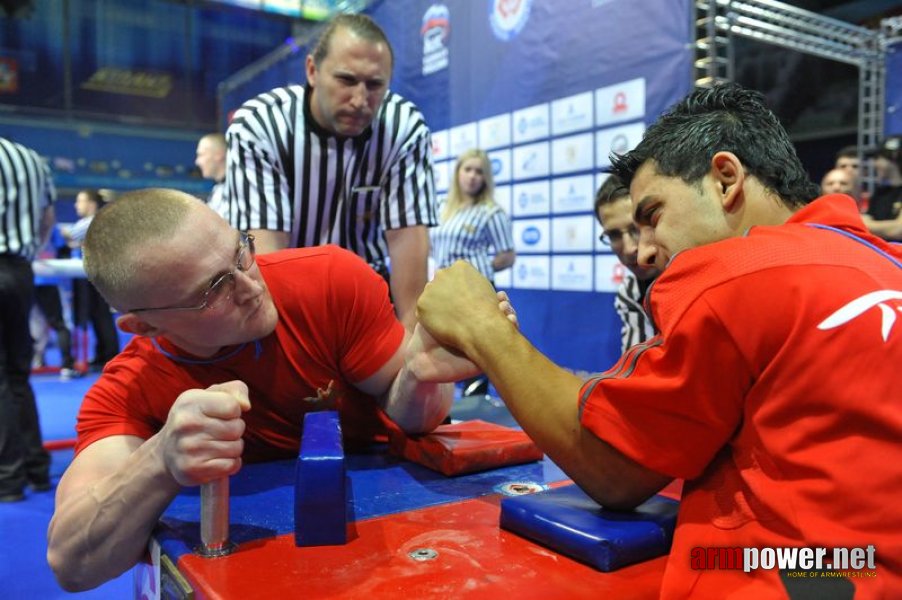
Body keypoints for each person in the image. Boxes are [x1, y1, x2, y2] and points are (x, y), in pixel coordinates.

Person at [416, 84, 902, 598]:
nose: (644, 252)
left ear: (725, 179)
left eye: (651, 216)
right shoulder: (887, 260)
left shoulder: (736, 274)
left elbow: (615, 469)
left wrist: (481, 327)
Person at [45, 188, 487, 591]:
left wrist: (421, 376)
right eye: (211, 291)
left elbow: (414, 415)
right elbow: (73, 565)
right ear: (144, 325)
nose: (250, 286)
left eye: (240, 252)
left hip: (401, 535)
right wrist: (159, 461)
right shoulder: (128, 389)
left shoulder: (328, 279)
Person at [226, 13, 437, 331]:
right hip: (288, 291)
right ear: (312, 71)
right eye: (347, 80)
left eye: (375, 85)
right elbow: (268, 252)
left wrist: (413, 341)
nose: (360, 100)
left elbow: (407, 238)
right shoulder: (261, 125)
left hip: (368, 291)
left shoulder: (404, 127)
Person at [430, 148, 514, 396]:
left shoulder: (491, 212)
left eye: (479, 171)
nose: (473, 176)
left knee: (475, 354)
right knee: (439, 353)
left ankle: (474, 411)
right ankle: (439, 410)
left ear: (486, 177)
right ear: (458, 173)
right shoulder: (442, 207)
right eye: (468, 169)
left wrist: (478, 271)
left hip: (474, 293)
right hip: (442, 290)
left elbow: (507, 255)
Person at [0, 136, 56, 502]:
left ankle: (8, 478)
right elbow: (47, 217)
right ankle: (36, 468)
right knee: (18, 374)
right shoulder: (31, 156)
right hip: (20, 269)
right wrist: (32, 247)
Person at [593, 174, 658, 353]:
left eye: (636, 229)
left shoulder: (706, 285)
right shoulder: (629, 293)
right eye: (614, 235)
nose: (629, 249)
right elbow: (638, 376)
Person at [64, 189, 120, 370]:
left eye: (80, 201)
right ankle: (104, 354)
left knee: (101, 315)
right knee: (98, 315)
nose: (76, 205)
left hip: (97, 275)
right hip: (94, 275)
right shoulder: (96, 221)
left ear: (91, 204)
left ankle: (109, 354)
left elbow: (71, 235)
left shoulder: (93, 221)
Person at [861, 135, 902, 241]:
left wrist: (866, 224)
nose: (875, 164)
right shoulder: (879, 193)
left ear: (894, 156)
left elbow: (898, 230)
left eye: (877, 158)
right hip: (882, 255)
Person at [195, 132, 229, 220]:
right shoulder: (218, 190)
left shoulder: (239, 191)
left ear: (219, 154)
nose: (197, 162)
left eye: (201, 155)